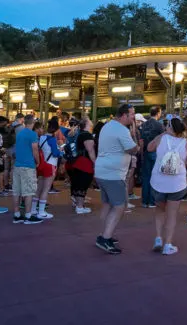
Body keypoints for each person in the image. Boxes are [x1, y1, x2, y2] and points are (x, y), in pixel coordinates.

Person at [148, 117, 187, 256]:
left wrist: (163, 134)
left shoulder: (161, 139)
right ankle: (168, 244)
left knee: (159, 210)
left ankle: (158, 238)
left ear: (169, 127)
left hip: (158, 182)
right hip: (177, 183)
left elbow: (149, 148)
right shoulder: (186, 144)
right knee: (172, 214)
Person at [95, 104, 138, 254]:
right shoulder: (122, 130)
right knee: (119, 206)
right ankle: (105, 238)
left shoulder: (108, 126)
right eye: (132, 114)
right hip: (113, 173)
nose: (133, 117)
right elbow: (132, 148)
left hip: (102, 170)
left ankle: (103, 234)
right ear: (124, 115)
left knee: (107, 204)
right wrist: (137, 144)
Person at [12, 116, 43, 224]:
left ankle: (16, 214)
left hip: (17, 165)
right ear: (33, 122)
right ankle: (28, 215)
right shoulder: (32, 134)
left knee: (17, 191)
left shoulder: (20, 133)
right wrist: (38, 161)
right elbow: (35, 149)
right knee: (29, 191)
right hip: (28, 165)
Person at [33, 118, 63, 220]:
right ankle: (41, 211)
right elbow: (55, 153)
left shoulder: (41, 137)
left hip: (41, 164)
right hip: (50, 165)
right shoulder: (52, 140)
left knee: (38, 188)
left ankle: (33, 209)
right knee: (46, 189)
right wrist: (61, 151)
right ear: (56, 129)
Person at [68, 118, 96, 214]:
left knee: (78, 183)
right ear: (87, 124)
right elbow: (90, 150)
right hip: (85, 163)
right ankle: (80, 207)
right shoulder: (87, 135)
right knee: (83, 184)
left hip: (78, 162)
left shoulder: (80, 134)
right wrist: (95, 162)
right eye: (89, 121)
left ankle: (79, 205)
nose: (91, 122)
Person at [139, 106, 164, 208]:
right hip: (156, 152)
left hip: (145, 151)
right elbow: (163, 139)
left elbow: (141, 140)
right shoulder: (159, 125)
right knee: (155, 177)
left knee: (146, 177)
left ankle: (145, 201)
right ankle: (153, 201)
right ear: (158, 113)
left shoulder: (144, 124)